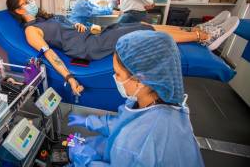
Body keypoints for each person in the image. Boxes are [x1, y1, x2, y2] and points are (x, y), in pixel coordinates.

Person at [6, 0, 237, 95]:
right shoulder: (31, 31)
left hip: (90, 36)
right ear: (18, 10)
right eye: (26, 2)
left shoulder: (43, 18)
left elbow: (65, 31)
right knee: (144, 30)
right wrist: (70, 77)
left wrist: (79, 26)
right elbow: (50, 56)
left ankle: (197, 31)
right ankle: (205, 37)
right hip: (89, 48)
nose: (31, 3)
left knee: (145, 24)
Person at [67, 30, 205, 167]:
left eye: (118, 74)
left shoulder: (140, 142)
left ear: (140, 80)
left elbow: (130, 144)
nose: (115, 78)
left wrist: (83, 160)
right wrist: (89, 121)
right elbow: (123, 124)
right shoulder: (152, 100)